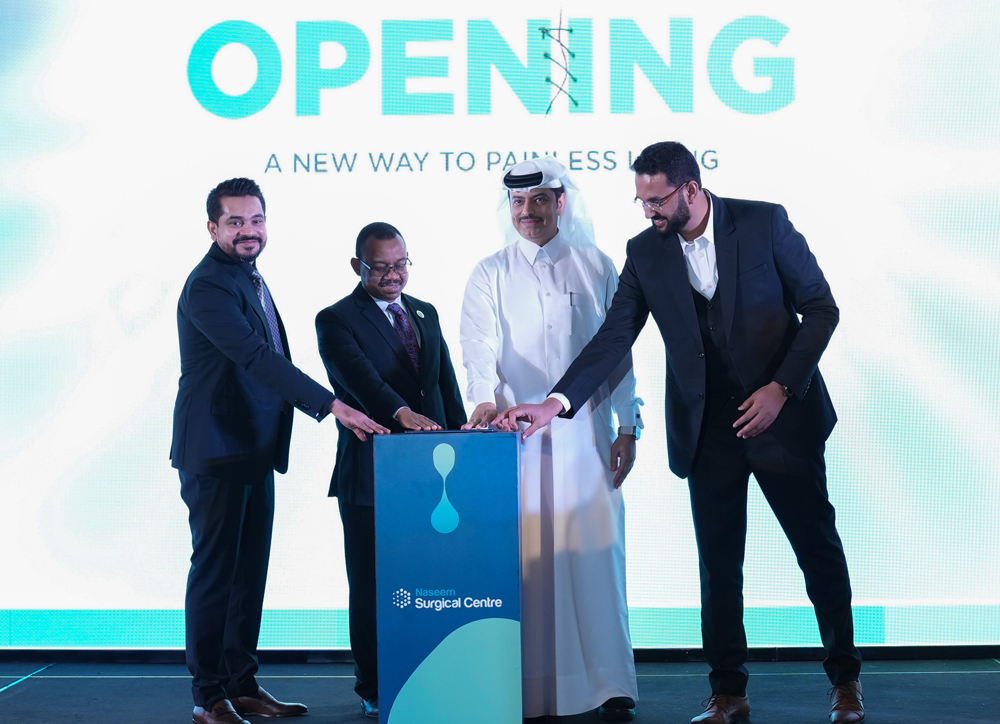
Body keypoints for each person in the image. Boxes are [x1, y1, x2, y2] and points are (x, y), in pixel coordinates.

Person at [497, 143, 865, 724]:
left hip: (782, 418)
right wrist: (556, 402)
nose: (647, 211)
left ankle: (845, 683)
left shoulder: (764, 222)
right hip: (707, 429)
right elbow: (614, 336)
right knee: (718, 566)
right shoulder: (646, 252)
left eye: (657, 199)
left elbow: (821, 308)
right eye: (641, 200)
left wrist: (781, 389)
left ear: (691, 188)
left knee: (817, 552)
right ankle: (727, 693)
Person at [171, 178, 387, 724]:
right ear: (213, 227)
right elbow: (254, 357)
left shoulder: (247, 275)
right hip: (215, 450)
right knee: (217, 573)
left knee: (249, 574)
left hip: (251, 448)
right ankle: (209, 696)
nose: (249, 231)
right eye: (236, 222)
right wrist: (333, 406)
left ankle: (241, 685)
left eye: (256, 220)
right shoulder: (208, 286)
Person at [460, 157, 643, 721]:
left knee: (594, 559)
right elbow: (478, 345)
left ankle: (609, 685)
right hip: (515, 443)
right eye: (518, 204)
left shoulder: (596, 266)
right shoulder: (490, 271)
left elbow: (615, 354)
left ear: (560, 203)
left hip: (585, 439)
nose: (528, 213)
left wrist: (628, 425)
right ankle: (529, 686)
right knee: (528, 564)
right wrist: (484, 399)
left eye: (538, 201)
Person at [315, 221, 468, 719]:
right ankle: (374, 685)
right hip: (372, 475)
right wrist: (400, 414)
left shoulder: (424, 312)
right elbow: (358, 380)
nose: (392, 275)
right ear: (358, 266)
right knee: (373, 584)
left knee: (433, 580)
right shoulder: (335, 319)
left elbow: (443, 383)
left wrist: (463, 434)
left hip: (432, 476)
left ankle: (436, 674)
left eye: (400, 264)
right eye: (380, 267)